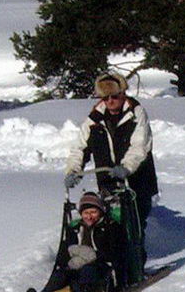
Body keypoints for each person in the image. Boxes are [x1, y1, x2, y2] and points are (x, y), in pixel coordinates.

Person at [64, 72, 158, 255]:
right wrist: (73, 170)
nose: (110, 101)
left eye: (114, 96)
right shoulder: (94, 119)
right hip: (108, 181)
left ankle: (136, 263)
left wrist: (127, 167)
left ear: (123, 94)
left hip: (138, 180)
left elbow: (140, 146)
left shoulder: (136, 114)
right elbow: (80, 147)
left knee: (136, 222)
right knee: (111, 221)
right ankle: (110, 261)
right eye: (105, 97)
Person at [41, 191, 128, 292]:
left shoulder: (110, 227)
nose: (89, 216)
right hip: (77, 264)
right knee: (60, 275)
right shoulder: (76, 228)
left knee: (87, 271)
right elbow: (65, 253)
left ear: (100, 211)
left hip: (102, 267)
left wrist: (91, 256)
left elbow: (115, 253)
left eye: (93, 212)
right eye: (86, 213)